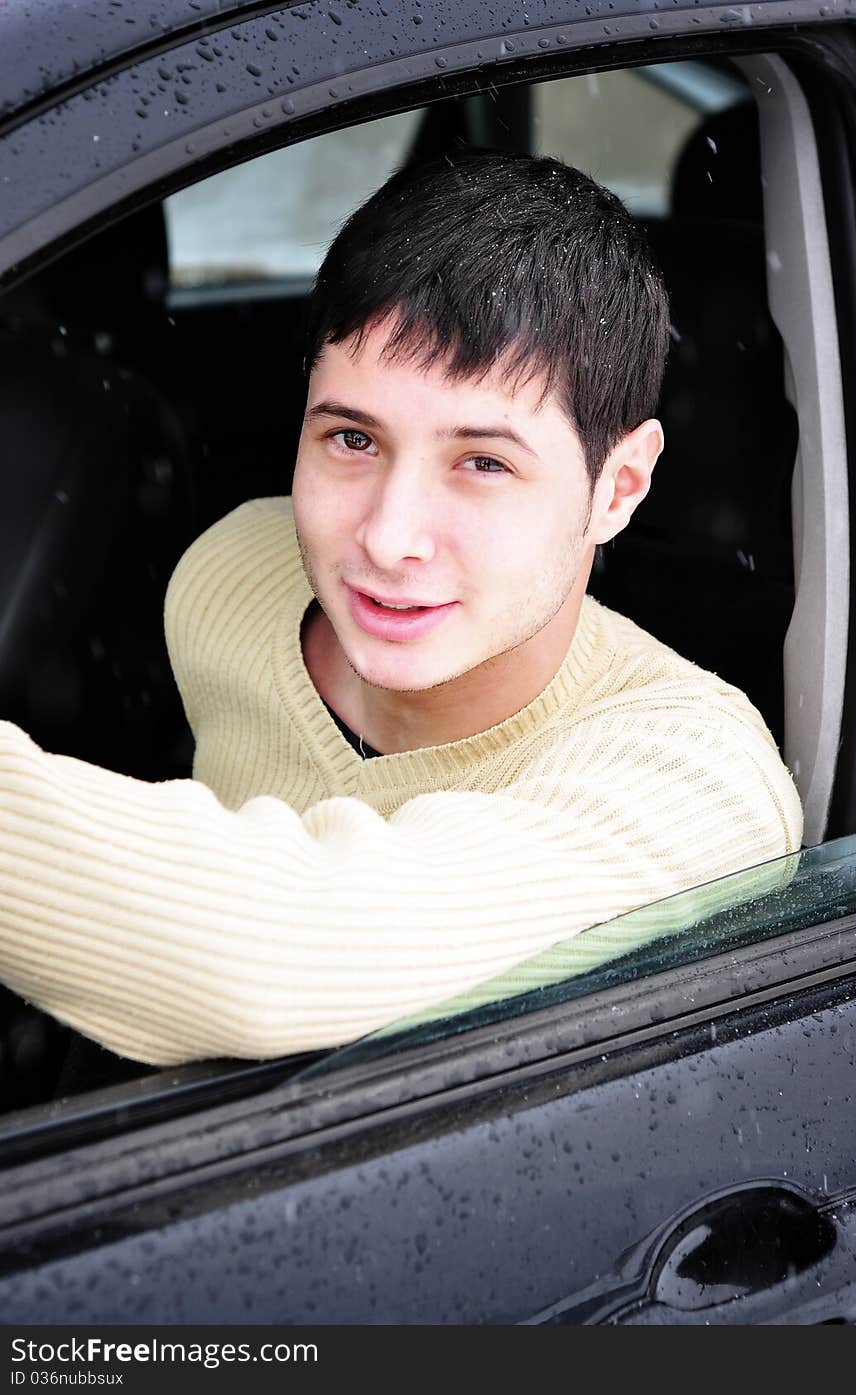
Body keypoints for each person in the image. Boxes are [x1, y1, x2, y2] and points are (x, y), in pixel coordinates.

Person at [0, 149, 803, 1067]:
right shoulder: (233, 575)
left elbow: (275, 958)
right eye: (352, 437)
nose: (388, 537)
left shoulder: (698, 783)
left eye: (483, 462)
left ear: (619, 485)